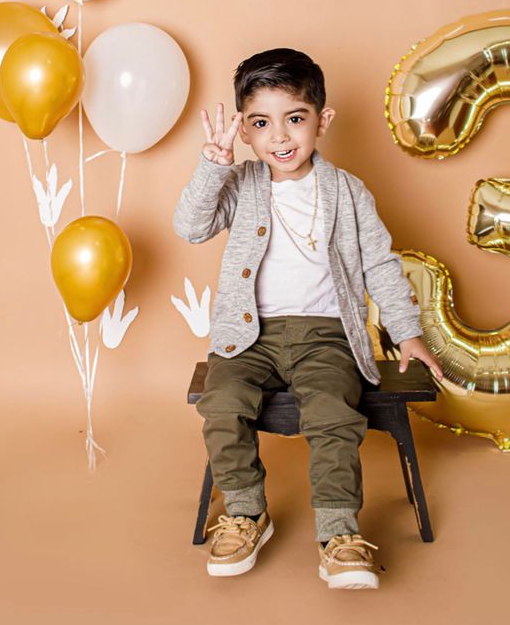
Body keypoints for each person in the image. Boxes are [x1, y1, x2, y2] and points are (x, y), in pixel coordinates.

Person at [173, 48, 442, 589]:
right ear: (245, 132)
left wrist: (407, 333)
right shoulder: (241, 183)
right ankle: (247, 512)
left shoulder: (347, 192)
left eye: (294, 118)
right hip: (249, 336)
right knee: (223, 403)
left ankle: (339, 532)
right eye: (261, 123)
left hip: (326, 336)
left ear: (323, 120)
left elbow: (380, 265)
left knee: (332, 413)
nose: (281, 137)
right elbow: (190, 226)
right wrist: (212, 165)